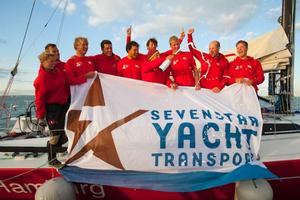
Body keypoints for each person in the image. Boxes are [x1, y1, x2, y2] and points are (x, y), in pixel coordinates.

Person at [33, 52, 70, 166]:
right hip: (52, 109)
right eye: (50, 61)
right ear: (43, 62)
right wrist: (40, 117)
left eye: (54, 61)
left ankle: (57, 155)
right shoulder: (42, 78)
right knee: (55, 135)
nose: (53, 63)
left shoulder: (57, 72)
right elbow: (39, 99)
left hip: (63, 106)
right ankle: (51, 158)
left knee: (63, 134)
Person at [187, 28, 229, 93]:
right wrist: (189, 35)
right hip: (203, 90)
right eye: (209, 48)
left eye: (213, 48)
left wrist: (219, 87)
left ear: (218, 48)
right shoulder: (204, 57)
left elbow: (226, 76)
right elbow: (192, 49)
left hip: (217, 91)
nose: (211, 50)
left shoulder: (224, 61)